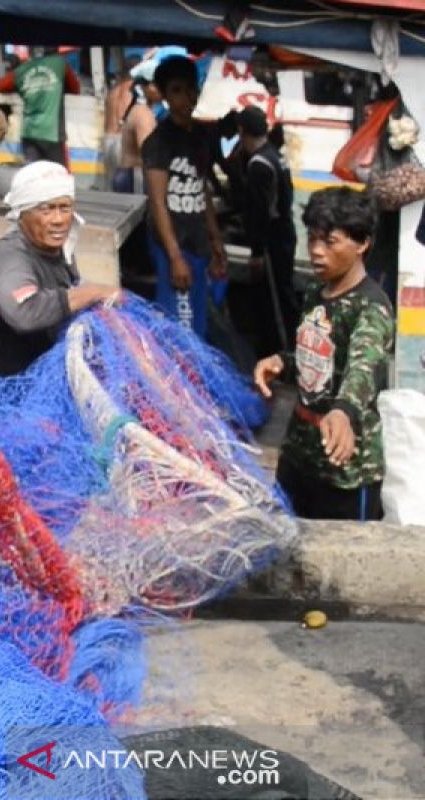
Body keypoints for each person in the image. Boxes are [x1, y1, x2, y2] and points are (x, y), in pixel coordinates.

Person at [254, 188, 394, 521]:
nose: (317, 252)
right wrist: (282, 363)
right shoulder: (318, 292)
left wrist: (343, 411)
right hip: (299, 456)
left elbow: (362, 367)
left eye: (330, 242)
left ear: (362, 244)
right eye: (312, 240)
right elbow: (314, 352)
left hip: (345, 470)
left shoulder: (372, 308)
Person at [0, 161, 118, 375]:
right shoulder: (10, 256)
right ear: (22, 214)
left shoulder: (60, 250)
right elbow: (24, 313)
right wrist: (92, 292)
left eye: (65, 208)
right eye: (47, 209)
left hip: (34, 381)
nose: (59, 220)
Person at [142, 55, 227, 338]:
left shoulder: (200, 135)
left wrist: (216, 241)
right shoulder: (158, 141)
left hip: (198, 241)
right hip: (172, 245)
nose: (186, 97)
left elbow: (202, 190)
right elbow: (157, 202)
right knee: (177, 324)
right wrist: (174, 256)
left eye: (191, 89)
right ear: (164, 95)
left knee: (198, 321)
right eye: (177, 90)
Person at [237, 105, 298, 354]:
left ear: (242, 131)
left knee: (274, 300)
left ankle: (280, 351)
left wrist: (257, 251)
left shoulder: (259, 164)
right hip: (285, 233)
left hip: (272, 241)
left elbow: (260, 213)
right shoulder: (275, 155)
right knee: (284, 293)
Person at [0, 47, 82, 167]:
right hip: (52, 134)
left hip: (29, 134)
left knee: (34, 175)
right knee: (57, 176)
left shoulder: (22, 70)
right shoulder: (60, 63)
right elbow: (76, 89)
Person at [113, 59, 161, 194]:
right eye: (158, 84)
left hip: (131, 176)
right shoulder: (143, 114)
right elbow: (148, 154)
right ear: (145, 87)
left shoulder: (140, 110)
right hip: (135, 178)